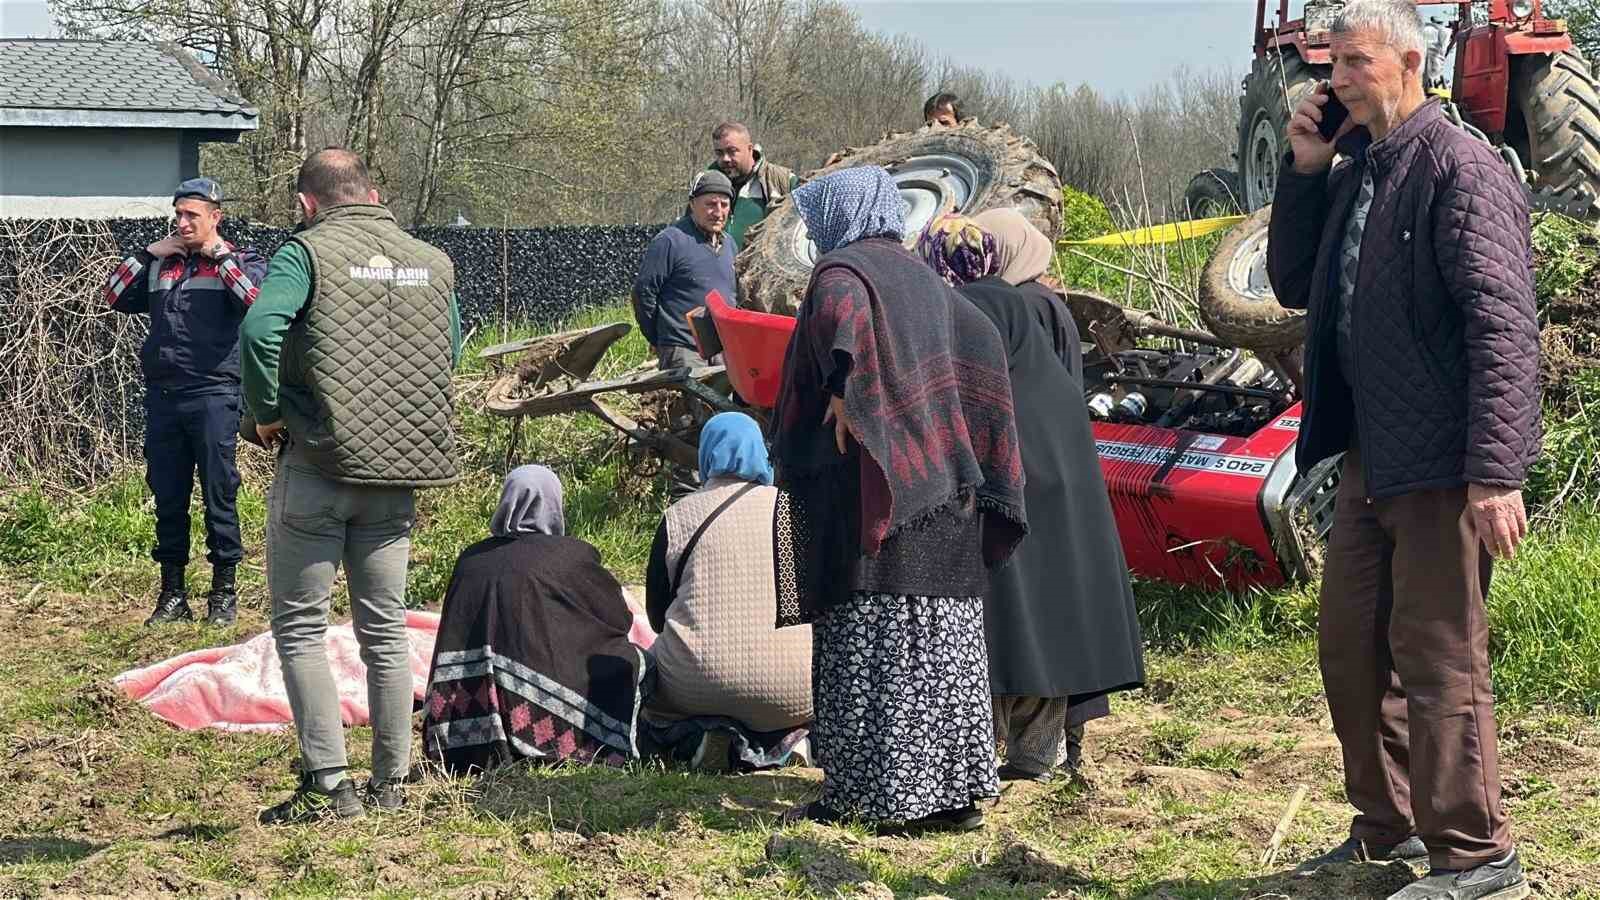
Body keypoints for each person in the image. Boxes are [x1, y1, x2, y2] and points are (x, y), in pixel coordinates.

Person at [1266, 3, 1539, 896]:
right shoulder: (1357, 170)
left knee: (1439, 657)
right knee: (1351, 651)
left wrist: (1496, 473)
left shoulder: (1459, 168)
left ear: (1411, 60)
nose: (1337, 80)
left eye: (1355, 62)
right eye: (1331, 64)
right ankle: (1392, 830)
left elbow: (1504, 327)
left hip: (1443, 464)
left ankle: (1477, 854)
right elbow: (1294, 284)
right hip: (1369, 456)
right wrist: (1306, 171)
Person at [771, 166, 1027, 833]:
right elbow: (982, 338)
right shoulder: (926, 278)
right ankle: (957, 798)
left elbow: (841, 313)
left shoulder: (841, 271)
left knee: (872, 651)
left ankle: (872, 798)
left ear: (842, 216)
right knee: (945, 651)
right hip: (945, 495)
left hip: (875, 501)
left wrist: (844, 387)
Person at [241, 147, 464, 825]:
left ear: (307, 203)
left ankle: (329, 785)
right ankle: (391, 782)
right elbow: (450, 348)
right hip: (399, 472)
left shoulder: (305, 253)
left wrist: (268, 412)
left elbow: (260, 328)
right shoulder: (433, 261)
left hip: (319, 462)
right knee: (385, 629)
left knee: (301, 626)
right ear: (372, 193)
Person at [916, 212, 1145, 783]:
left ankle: (990, 752)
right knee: (1050, 616)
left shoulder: (961, 309)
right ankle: (1042, 751)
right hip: (1057, 473)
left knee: (1007, 620)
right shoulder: (1023, 305)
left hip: (1008, 479)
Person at [101, 177, 266, 627]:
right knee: (168, 497)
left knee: (219, 495)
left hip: (213, 393)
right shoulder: (161, 263)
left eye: (192, 215)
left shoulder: (244, 261)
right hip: (164, 397)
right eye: (178, 215)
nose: (183, 223)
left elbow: (254, 301)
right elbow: (113, 295)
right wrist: (145, 254)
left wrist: (221, 257)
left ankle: (223, 595)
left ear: (216, 216)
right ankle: (172, 595)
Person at [423, 465, 649, 775]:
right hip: (554, 721)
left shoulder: (470, 560)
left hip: (465, 725)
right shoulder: (573, 556)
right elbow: (617, 619)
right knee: (632, 662)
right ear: (554, 505)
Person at [643, 413, 812, 770]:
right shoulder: (794, 509)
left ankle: (697, 739)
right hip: (793, 690)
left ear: (707, 454)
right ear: (761, 452)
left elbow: (657, 616)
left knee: (651, 708)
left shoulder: (679, 516)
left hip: (694, 686)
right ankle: (793, 740)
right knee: (793, 707)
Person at [633, 170, 737, 370]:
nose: (718, 212)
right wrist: (658, 338)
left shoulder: (730, 245)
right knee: (689, 393)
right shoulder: (670, 241)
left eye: (724, 205)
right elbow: (643, 293)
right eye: (710, 204)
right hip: (683, 351)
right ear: (692, 204)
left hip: (723, 349)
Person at [709, 121, 798, 248]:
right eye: (719, 153)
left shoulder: (782, 181)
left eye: (732, 151)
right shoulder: (707, 183)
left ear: (750, 149)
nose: (725, 158)